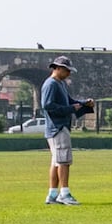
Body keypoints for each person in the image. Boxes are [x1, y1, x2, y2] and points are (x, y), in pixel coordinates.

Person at [41, 55, 90, 206]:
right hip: (58, 127)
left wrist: (84, 104)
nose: (69, 73)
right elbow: (47, 105)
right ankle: (64, 193)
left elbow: (70, 101)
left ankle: (52, 194)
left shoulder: (60, 84)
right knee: (64, 161)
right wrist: (69, 109)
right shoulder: (51, 84)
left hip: (59, 126)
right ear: (58, 68)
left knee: (57, 161)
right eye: (67, 70)